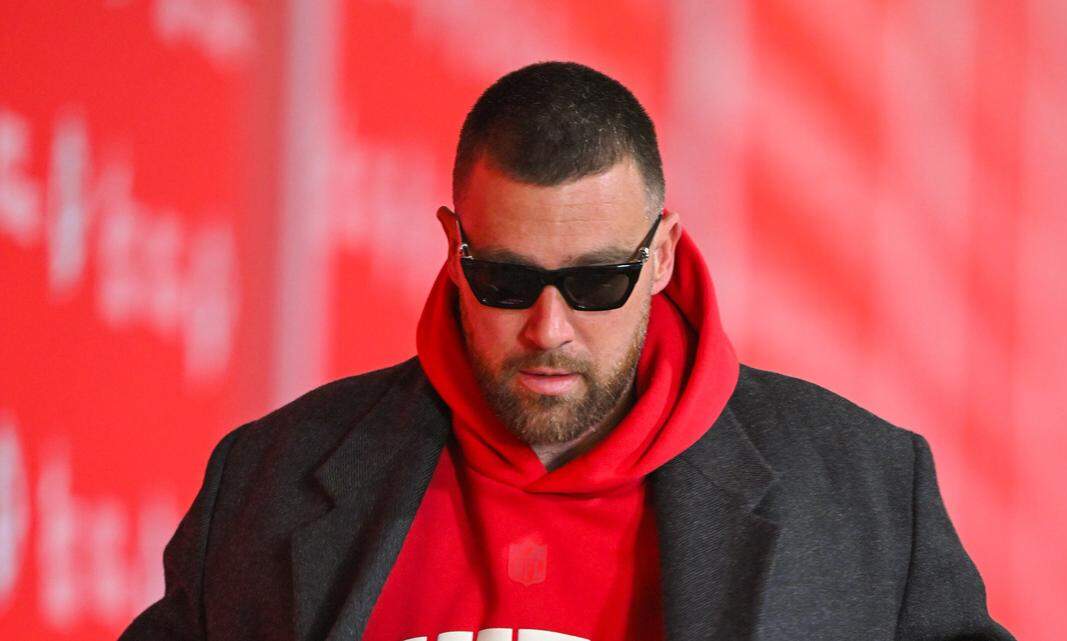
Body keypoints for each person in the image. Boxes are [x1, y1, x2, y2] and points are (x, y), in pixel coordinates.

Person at [119, 61, 1015, 641]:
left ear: (662, 256)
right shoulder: (269, 479)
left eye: (595, 283)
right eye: (508, 280)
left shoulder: (864, 493)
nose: (549, 328)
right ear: (454, 248)